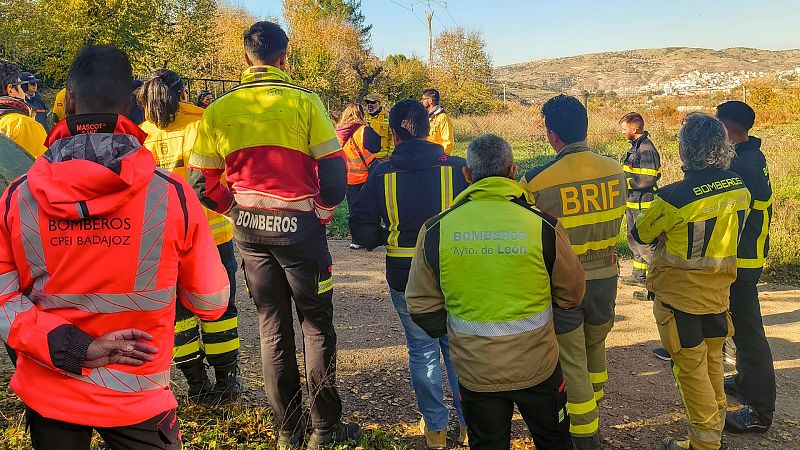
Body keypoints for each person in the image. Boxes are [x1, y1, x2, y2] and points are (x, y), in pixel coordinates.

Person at [0, 44, 230, 450]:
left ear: (68, 101)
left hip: (50, 392)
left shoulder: (17, 198)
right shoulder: (172, 196)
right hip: (139, 398)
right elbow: (210, 301)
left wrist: (72, 347)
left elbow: (3, 300)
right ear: (131, 107)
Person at [188, 21, 359, 450]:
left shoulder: (218, 109)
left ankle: (288, 430)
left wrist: (233, 209)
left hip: (249, 232)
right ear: (285, 56)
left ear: (246, 57)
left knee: (271, 328)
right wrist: (321, 211)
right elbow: (335, 173)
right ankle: (325, 428)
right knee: (316, 327)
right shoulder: (306, 103)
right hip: (300, 229)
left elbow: (197, 181)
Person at [405, 133, 584, 450]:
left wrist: (454, 332)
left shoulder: (436, 229)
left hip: (476, 372)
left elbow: (420, 305)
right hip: (539, 368)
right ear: (513, 172)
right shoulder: (543, 225)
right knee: (554, 441)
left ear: (467, 175)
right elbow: (572, 295)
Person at [349, 100, 470, 449]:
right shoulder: (458, 169)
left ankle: (435, 430)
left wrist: (378, 238)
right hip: (455, 269)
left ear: (394, 132)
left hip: (405, 273)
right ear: (428, 128)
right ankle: (470, 425)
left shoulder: (383, 173)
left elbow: (360, 227)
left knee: (422, 350)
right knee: (458, 348)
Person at [632, 113, 750, 450]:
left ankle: (703, 443)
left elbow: (641, 234)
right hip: (719, 294)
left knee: (691, 371)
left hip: (680, 299)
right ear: (722, 146)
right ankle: (713, 434)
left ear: (685, 149)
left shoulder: (674, 196)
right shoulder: (738, 186)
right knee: (713, 362)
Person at [519, 94, 627, 450]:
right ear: (586, 127)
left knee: (572, 360)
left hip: (565, 283)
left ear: (552, 135)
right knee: (596, 345)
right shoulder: (615, 169)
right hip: (607, 275)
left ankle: (583, 436)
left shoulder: (537, 182)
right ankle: (594, 405)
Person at [139, 69, 243, 404]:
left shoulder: (140, 135)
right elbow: (222, 175)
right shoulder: (203, 124)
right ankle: (226, 383)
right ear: (183, 92)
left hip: (160, 240)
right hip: (211, 234)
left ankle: (196, 385)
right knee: (220, 307)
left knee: (177, 315)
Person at [716, 101, 775, 433]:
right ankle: (745, 382)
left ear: (726, 129)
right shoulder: (750, 155)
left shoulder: (744, 168)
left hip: (742, 259)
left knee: (750, 335)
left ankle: (761, 413)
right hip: (748, 255)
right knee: (740, 329)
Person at [618, 112, 661, 294]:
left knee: (644, 243)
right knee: (633, 239)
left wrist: (625, 183)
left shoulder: (646, 149)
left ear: (634, 129)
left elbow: (647, 179)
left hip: (643, 203)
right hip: (633, 202)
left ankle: (660, 279)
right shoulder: (636, 147)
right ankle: (639, 275)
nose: (622, 132)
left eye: (624, 128)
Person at [335, 103, 380, 250]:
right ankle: (371, 238)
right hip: (366, 176)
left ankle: (356, 239)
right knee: (371, 208)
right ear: (360, 114)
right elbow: (376, 147)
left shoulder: (338, 132)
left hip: (349, 177)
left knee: (353, 209)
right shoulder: (363, 130)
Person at [0, 61, 47, 158]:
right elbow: (46, 166)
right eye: (20, 86)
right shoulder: (24, 124)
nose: (22, 91)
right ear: (11, 89)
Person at [421, 88, 454, 155]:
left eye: (424, 99)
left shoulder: (443, 117)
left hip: (436, 158)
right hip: (424, 156)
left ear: (430, 100)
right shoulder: (425, 117)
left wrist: (440, 156)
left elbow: (448, 142)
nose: (421, 101)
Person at [364, 93, 393, 157]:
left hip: (382, 157)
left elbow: (393, 137)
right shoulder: (363, 117)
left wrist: (390, 155)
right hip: (366, 158)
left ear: (379, 103)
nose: (369, 104)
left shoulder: (387, 117)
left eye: (372, 102)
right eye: (368, 102)